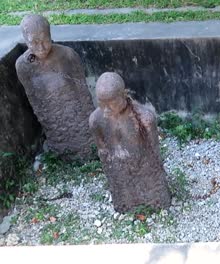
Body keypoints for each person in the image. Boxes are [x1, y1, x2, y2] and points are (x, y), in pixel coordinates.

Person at [15, 14, 95, 160]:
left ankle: (87, 151)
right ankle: (62, 153)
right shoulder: (23, 66)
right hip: (54, 124)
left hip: (77, 118)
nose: (41, 47)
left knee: (86, 146)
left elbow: (84, 95)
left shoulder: (67, 55)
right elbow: (35, 103)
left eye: (45, 40)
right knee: (61, 146)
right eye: (34, 42)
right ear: (26, 41)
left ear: (50, 35)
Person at [89, 72, 171, 212]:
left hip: (144, 167)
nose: (106, 109)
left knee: (152, 191)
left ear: (123, 95)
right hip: (118, 170)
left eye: (111, 103)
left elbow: (154, 153)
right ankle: (124, 205)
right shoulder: (96, 120)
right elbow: (102, 150)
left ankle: (155, 204)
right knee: (124, 192)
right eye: (101, 103)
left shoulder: (144, 118)